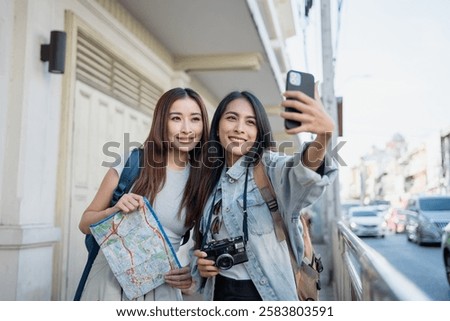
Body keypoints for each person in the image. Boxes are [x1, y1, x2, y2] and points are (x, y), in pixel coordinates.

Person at [190, 84, 338, 301]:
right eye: (232, 118)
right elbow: (203, 243)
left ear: (259, 132)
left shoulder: (269, 167)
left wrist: (323, 137)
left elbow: (301, 173)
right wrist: (202, 267)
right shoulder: (208, 179)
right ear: (218, 125)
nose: (240, 128)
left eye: (250, 122)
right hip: (218, 295)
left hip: (267, 296)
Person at [78, 87, 209, 300]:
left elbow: (206, 243)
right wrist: (114, 210)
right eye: (176, 118)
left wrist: (191, 274)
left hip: (162, 291)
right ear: (161, 122)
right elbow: (85, 223)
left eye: (195, 119)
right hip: (108, 286)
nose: (187, 129)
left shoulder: (203, 179)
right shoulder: (132, 162)